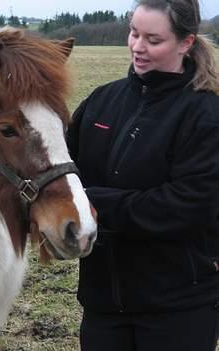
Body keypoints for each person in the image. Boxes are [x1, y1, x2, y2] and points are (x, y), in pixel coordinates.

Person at [66, 0, 219, 350]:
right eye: (133, 33)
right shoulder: (101, 102)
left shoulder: (205, 115)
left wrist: (95, 202)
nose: (137, 47)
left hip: (178, 307)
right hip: (103, 301)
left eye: (153, 39)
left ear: (186, 43)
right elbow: (61, 173)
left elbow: (187, 207)